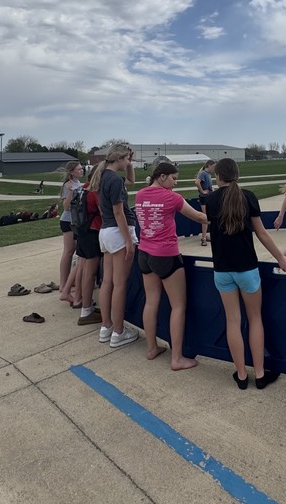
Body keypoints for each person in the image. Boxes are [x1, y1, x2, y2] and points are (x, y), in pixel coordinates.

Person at [207, 158, 286, 390]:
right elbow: (262, 234)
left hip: (222, 271)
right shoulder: (248, 197)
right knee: (255, 319)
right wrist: (281, 258)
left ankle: (240, 375)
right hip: (247, 269)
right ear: (236, 174)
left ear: (218, 176)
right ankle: (258, 374)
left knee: (233, 321)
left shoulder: (211, 199)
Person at [134, 161, 207, 369]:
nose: (175, 183)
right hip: (166, 254)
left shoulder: (140, 195)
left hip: (145, 252)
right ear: (162, 176)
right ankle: (176, 359)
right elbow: (198, 216)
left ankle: (151, 348)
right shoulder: (171, 198)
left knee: (151, 301)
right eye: (174, 179)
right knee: (178, 306)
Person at [97, 144, 139, 348]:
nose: (129, 162)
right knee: (120, 284)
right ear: (120, 158)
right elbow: (118, 212)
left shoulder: (104, 176)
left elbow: (131, 181)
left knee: (107, 282)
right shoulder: (113, 179)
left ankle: (107, 327)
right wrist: (128, 240)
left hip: (105, 232)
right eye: (127, 159)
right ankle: (119, 331)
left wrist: (130, 162)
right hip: (117, 232)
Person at [73, 164, 105, 326]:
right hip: (93, 232)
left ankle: (85, 304)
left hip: (82, 232)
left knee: (84, 270)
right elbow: (103, 211)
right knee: (90, 274)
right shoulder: (94, 191)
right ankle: (86, 310)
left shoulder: (83, 188)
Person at [58, 162, 86, 302]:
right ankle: (63, 285)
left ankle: (69, 282)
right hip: (68, 221)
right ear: (72, 172)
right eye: (79, 169)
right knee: (68, 252)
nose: (82, 170)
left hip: (76, 221)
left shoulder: (78, 183)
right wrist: (70, 192)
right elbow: (66, 207)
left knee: (74, 251)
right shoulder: (68, 185)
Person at [195, 160, 216, 247]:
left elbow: (208, 185)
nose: (214, 168)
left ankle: (205, 235)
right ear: (209, 165)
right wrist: (202, 191)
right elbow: (197, 182)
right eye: (213, 166)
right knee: (205, 217)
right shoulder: (203, 173)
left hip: (208, 196)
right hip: (204, 198)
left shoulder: (208, 174)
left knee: (208, 217)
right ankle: (203, 238)